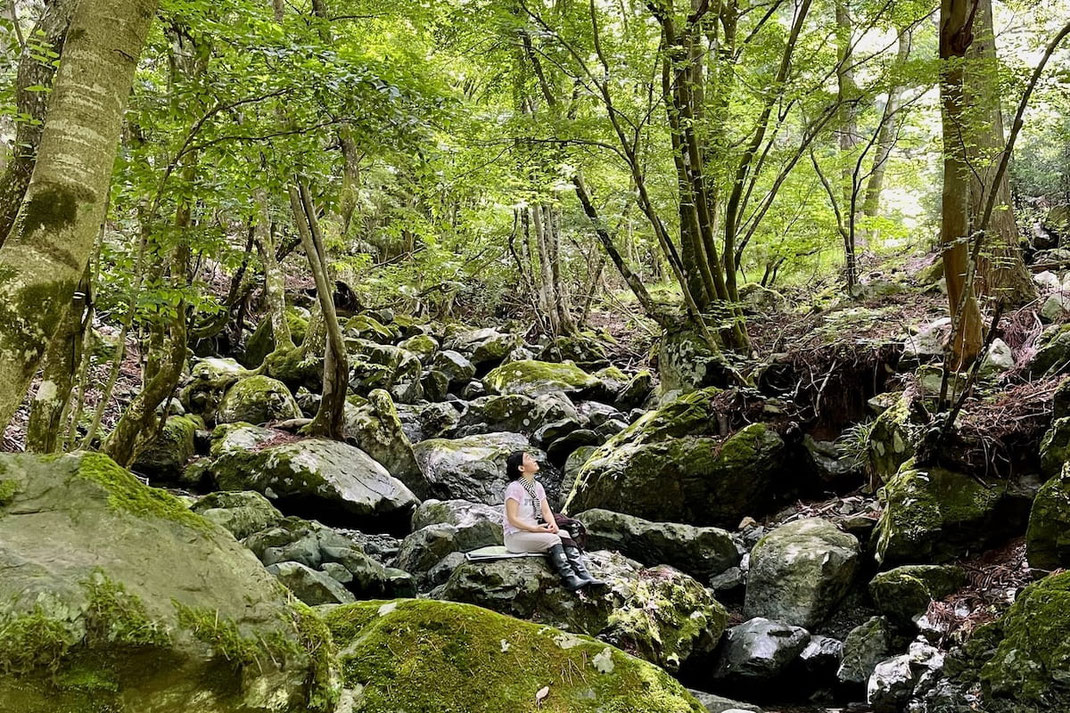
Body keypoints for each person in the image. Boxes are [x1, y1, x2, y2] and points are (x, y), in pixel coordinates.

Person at [502, 450, 602, 591]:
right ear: (521, 468)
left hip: (533, 532)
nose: (534, 460)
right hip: (515, 536)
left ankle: (584, 575)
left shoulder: (537, 486)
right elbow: (512, 519)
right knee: (552, 540)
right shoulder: (514, 488)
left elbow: (546, 511)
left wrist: (553, 525)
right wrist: (535, 529)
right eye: (528, 458)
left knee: (564, 535)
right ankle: (570, 579)